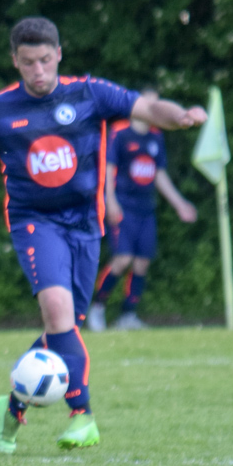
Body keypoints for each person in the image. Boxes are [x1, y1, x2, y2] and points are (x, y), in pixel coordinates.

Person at [0, 17, 204, 455]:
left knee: (63, 328)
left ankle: (12, 408)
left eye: (44, 60)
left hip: (86, 226)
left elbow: (150, 110)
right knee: (58, 313)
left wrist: (182, 117)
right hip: (34, 223)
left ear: (58, 54)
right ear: (15, 61)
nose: (38, 70)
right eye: (28, 62)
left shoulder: (90, 93)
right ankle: (82, 415)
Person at [90, 108, 197, 331]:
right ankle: (97, 307)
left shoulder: (156, 136)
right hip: (123, 207)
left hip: (146, 208)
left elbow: (159, 174)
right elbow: (108, 169)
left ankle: (128, 315)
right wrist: (110, 201)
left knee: (142, 263)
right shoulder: (120, 133)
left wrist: (180, 204)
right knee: (123, 259)